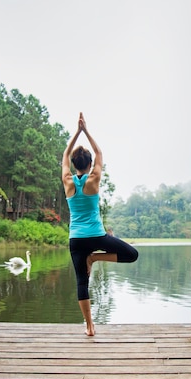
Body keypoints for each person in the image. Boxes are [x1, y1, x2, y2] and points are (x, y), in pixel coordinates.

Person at [62, 112, 139, 336]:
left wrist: (76, 132)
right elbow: (99, 153)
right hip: (97, 236)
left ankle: (89, 326)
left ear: (75, 165)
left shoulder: (67, 181)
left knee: (81, 283)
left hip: (76, 239)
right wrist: (86, 130)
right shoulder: (94, 179)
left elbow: (65, 154)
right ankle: (95, 257)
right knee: (132, 254)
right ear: (89, 164)